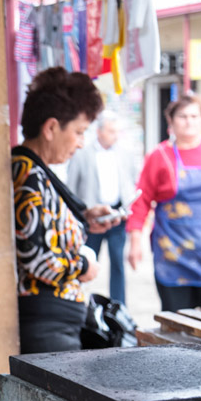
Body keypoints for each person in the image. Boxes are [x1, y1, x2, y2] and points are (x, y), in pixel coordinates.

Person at [12, 67, 121, 354]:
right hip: (48, 326)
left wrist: (84, 218)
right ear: (50, 128)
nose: (82, 142)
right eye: (79, 132)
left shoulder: (36, 170)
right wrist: (85, 267)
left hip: (56, 322)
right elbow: (36, 257)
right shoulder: (27, 174)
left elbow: (43, 227)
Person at [127, 95, 201, 311]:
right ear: (171, 120)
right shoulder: (159, 156)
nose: (189, 121)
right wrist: (135, 242)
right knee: (177, 325)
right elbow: (141, 200)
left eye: (194, 116)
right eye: (183, 116)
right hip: (173, 256)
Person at [66, 111, 137, 304]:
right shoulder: (82, 154)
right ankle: (81, 301)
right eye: (111, 131)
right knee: (86, 260)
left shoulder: (124, 154)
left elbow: (131, 180)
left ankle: (118, 305)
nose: (115, 135)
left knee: (117, 263)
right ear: (99, 132)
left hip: (116, 215)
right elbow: (71, 186)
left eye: (117, 131)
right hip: (91, 217)